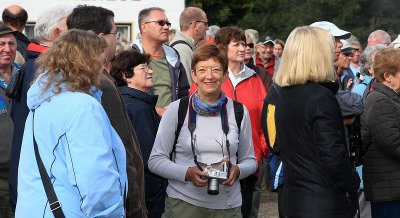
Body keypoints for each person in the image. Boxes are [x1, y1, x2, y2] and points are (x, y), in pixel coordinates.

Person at [15, 29, 127, 217]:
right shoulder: (82, 106)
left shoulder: (44, 102)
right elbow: (96, 181)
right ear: (87, 63)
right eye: (101, 60)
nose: (103, 67)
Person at [149, 43, 257, 218]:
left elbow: (250, 160)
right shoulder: (177, 109)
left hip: (228, 206)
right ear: (193, 75)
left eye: (215, 70)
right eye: (202, 70)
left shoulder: (238, 111)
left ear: (224, 75)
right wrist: (186, 173)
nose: (209, 76)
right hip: (183, 204)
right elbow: (155, 160)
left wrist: (238, 170)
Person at [67, 5, 147, 218]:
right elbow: (122, 150)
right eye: (115, 33)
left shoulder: (63, 77)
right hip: (113, 204)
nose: (118, 40)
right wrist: (135, 208)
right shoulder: (99, 83)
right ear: (101, 38)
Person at [274, 26, 360, 217]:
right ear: (317, 54)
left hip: (295, 199)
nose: (333, 54)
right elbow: (332, 156)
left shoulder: (285, 94)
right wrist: (353, 182)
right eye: (328, 49)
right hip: (322, 202)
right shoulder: (320, 97)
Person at [9, 5, 73, 210]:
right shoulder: (46, 71)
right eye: (73, 30)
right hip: (42, 192)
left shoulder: (34, 65)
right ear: (57, 33)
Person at [111, 51, 166, 218]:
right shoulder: (139, 108)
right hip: (148, 195)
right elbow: (149, 158)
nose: (150, 71)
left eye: (149, 67)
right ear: (126, 75)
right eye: (143, 68)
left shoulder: (120, 100)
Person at [361, 48, 400, 218]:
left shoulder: (390, 97)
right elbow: (393, 142)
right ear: (387, 76)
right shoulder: (379, 100)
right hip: (388, 189)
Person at [132, 7, 189, 117]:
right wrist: (154, 110)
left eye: (168, 23)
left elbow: (184, 94)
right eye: (161, 23)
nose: (166, 27)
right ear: (144, 27)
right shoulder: (129, 58)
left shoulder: (174, 58)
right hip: (141, 123)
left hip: (171, 125)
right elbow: (123, 94)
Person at [0, 24, 18, 218]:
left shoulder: (24, 75)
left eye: (11, 44)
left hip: (23, 171)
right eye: (1, 44)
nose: (7, 49)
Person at [170, 7, 208, 84]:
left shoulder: (186, 46)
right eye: (205, 24)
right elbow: (189, 86)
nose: (207, 28)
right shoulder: (182, 49)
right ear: (195, 25)